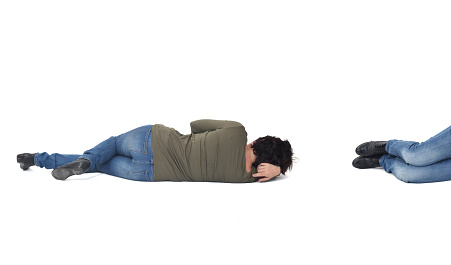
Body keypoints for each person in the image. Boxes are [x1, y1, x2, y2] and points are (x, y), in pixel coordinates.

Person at [17, 119, 294, 183]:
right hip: (149, 172)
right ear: (267, 166)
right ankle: (46, 160)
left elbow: (196, 125)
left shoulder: (237, 131)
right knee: (99, 162)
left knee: (108, 146)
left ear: (260, 142)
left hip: (152, 140)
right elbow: (271, 174)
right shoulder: (246, 178)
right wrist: (278, 170)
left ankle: (38, 159)